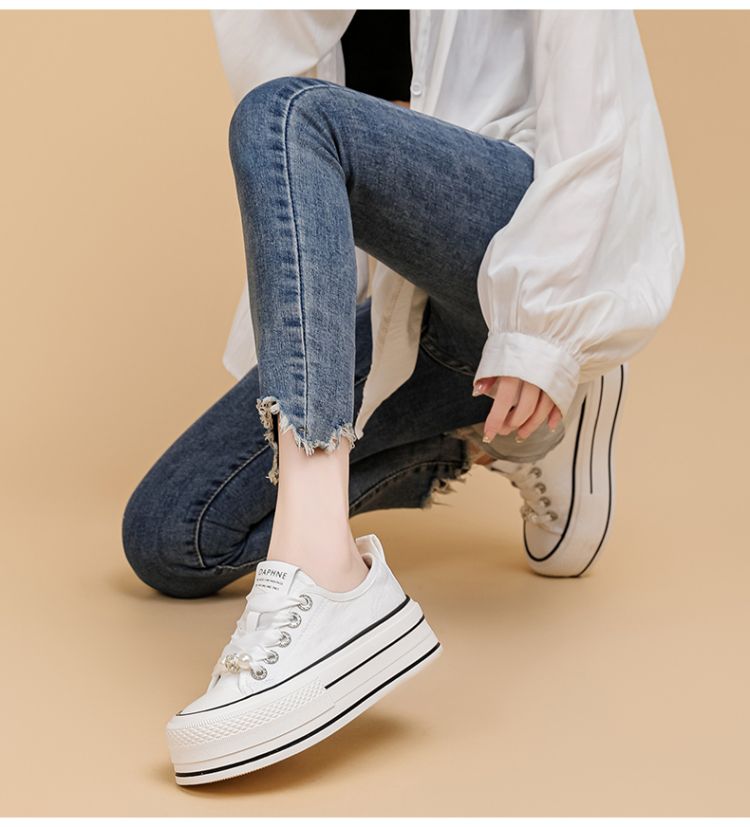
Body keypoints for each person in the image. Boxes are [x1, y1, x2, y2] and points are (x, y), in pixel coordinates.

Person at [121, 10, 685, 785]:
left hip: (519, 234)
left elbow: (599, 119)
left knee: (283, 115)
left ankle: (325, 571)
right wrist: (315, 364)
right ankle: (487, 431)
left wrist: (544, 334)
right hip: (405, 302)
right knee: (171, 535)